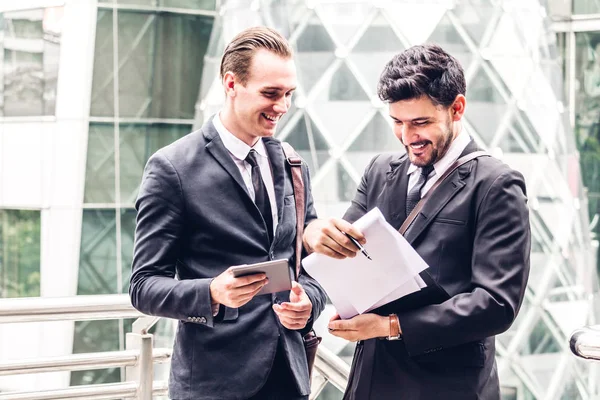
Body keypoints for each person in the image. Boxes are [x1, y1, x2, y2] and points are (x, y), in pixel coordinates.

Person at [303, 44, 531, 400]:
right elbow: (342, 257)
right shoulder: (379, 171)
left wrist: (390, 326)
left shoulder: (496, 184)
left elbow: (496, 304)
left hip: (447, 386)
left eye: (421, 123)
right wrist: (318, 234)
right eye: (397, 122)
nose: (408, 136)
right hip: (371, 380)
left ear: (457, 108)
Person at [129, 26, 327, 400]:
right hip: (213, 384)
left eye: (288, 95)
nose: (282, 107)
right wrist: (212, 292)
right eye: (270, 94)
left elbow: (308, 265)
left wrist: (309, 303)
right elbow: (143, 287)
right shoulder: (172, 168)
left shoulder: (290, 162)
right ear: (231, 84)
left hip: (289, 377)